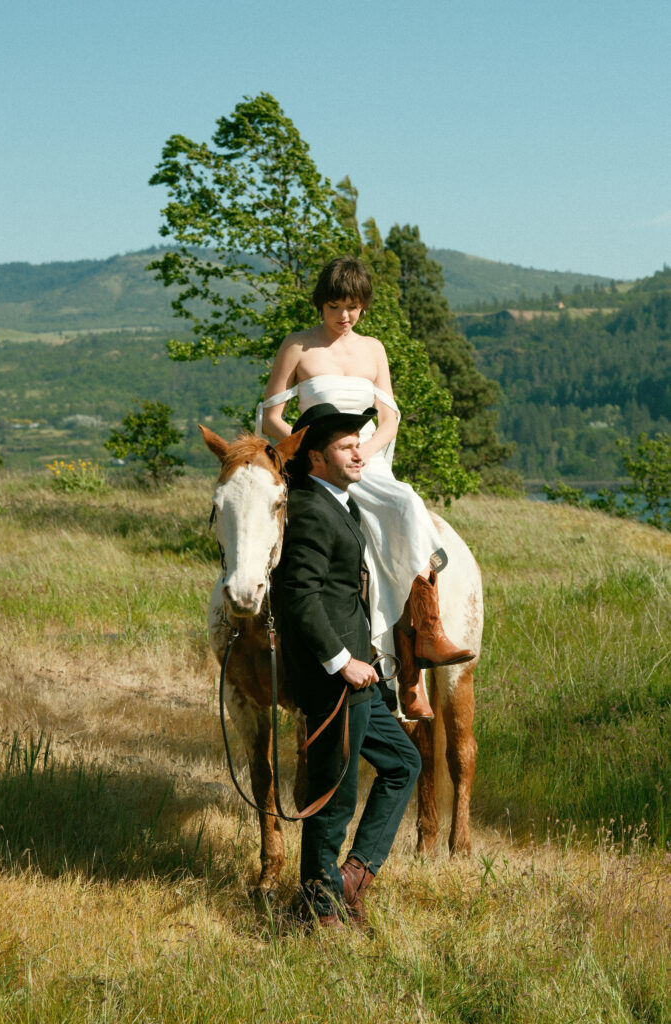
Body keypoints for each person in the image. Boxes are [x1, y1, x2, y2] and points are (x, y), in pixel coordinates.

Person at [259, 256, 475, 720]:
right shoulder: (297, 347)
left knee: (405, 503)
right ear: (321, 303)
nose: (344, 316)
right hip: (315, 461)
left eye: (353, 307)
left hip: (367, 460)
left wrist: (364, 453)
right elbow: (270, 417)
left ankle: (423, 639)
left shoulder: (374, 349)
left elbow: (390, 416)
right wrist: (307, 450)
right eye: (336, 305)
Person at [278, 402, 421, 927]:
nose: (359, 451)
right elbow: (300, 597)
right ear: (316, 457)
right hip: (336, 680)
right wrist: (341, 662)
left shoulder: (340, 502)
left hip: (360, 679)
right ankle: (316, 907)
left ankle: (349, 880)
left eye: (359, 441)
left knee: (404, 764)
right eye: (345, 445)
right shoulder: (312, 508)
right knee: (333, 795)